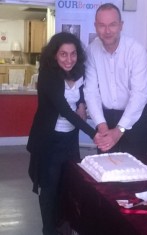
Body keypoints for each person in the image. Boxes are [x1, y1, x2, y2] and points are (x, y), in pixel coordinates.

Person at [26, 32, 103, 235]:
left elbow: (81, 98)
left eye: (73, 54)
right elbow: (64, 110)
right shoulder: (48, 76)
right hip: (49, 142)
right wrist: (94, 133)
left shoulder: (79, 72)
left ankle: (64, 227)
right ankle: (49, 230)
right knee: (49, 190)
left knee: (68, 184)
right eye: (63, 54)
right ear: (54, 56)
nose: (69, 59)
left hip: (69, 140)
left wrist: (83, 104)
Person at [84, 3, 147, 157]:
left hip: (135, 117)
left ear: (121, 26)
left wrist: (119, 130)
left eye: (112, 25)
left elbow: (139, 94)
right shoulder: (91, 51)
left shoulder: (136, 51)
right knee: (105, 169)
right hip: (105, 118)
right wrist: (102, 127)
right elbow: (91, 92)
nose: (107, 31)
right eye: (102, 25)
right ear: (95, 26)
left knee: (134, 170)